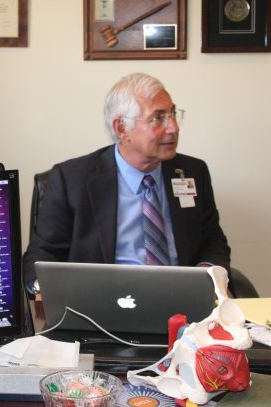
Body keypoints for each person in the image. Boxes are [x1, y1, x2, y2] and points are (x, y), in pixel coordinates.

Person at [22, 72, 231, 299]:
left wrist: (207, 274)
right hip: (101, 304)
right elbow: (42, 254)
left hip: (181, 301)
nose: (173, 127)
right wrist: (42, 289)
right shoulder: (71, 179)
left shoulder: (193, 172)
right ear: (122, 128)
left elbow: (212, 240)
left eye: (172, 114)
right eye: (158, 117)